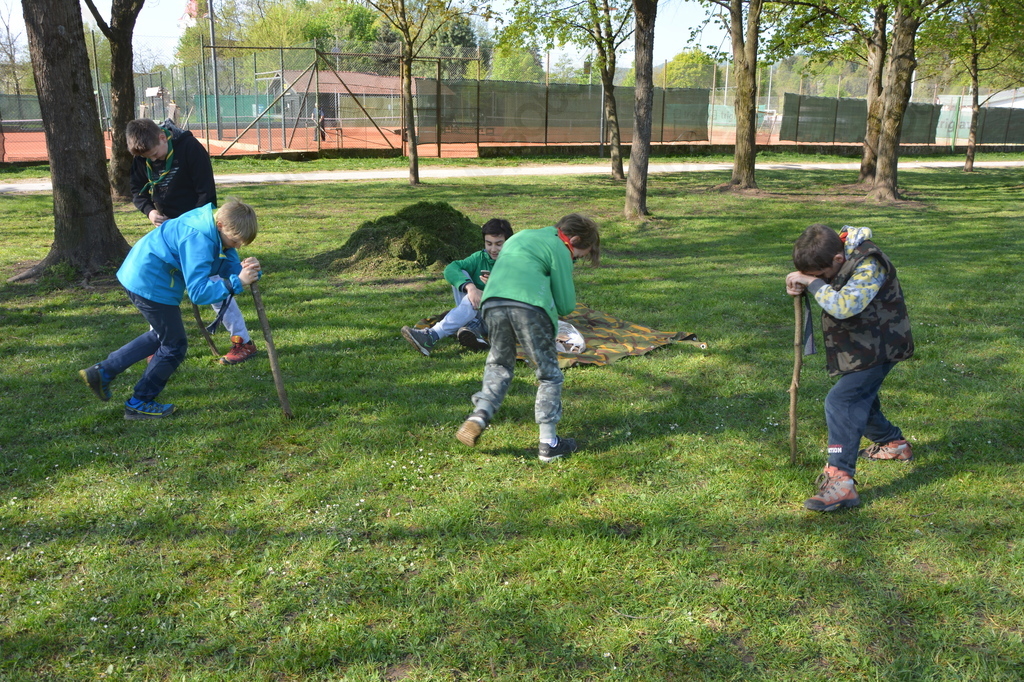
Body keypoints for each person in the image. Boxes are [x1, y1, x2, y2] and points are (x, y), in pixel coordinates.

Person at [79, 199, 261, 420]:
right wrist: (236, 282)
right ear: (221, 224)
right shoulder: (198, 237)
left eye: (241, 244)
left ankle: (102, 372)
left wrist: (246, 271)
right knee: (174, 345)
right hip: (149, 280)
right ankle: (139, 403)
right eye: (234, 241)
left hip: (146, 274)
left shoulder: (214, 224)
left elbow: (224, 258)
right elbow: (198, 292)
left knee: (162, 335)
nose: (237, 247)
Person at [786, 224, 915, 512]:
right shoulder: (835, 253)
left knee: (842, 401)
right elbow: (821, 280)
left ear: (838, 259)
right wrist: (800, 281)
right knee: (860, 400)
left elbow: (844, 306)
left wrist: (812, 283)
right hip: (860, 347)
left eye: (821, 274)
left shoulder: (869, 264)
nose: (820, 279)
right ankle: (893, 444)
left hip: (881, 346)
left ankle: (841, 482)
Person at [455, 214, 600, 462]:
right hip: (530, 309)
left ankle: (479, 415)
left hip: (492, 304)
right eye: (579, 256)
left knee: (499, 363)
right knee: (549, 374)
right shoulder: (560, 247)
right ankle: (549, 443)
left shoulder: (521, 236)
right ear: (574, 240)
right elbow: (566, 304)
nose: (575, 260)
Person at [127, 117, 258, 365]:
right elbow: (137, 189)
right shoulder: (144, 154)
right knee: (161, 291)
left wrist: (199, 236)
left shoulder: (189, 148)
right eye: (147, 158)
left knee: (215, 284)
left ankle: (242, 342)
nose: (153, 160)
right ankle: (161, 343)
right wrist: (150, 211)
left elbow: (206, 192)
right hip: (171, 236)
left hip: (200, 233)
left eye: (155, 155)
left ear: (162, 138)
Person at [400, 218, 514, 355]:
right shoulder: (480, 257)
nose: (493, 249)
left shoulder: (517, 262)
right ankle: (471, 331)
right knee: (462, 273)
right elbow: (451, 268)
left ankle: (432, 335)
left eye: (499, 244)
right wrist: (471, 288)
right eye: (489, 243)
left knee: (475, 300)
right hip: (476, 310)